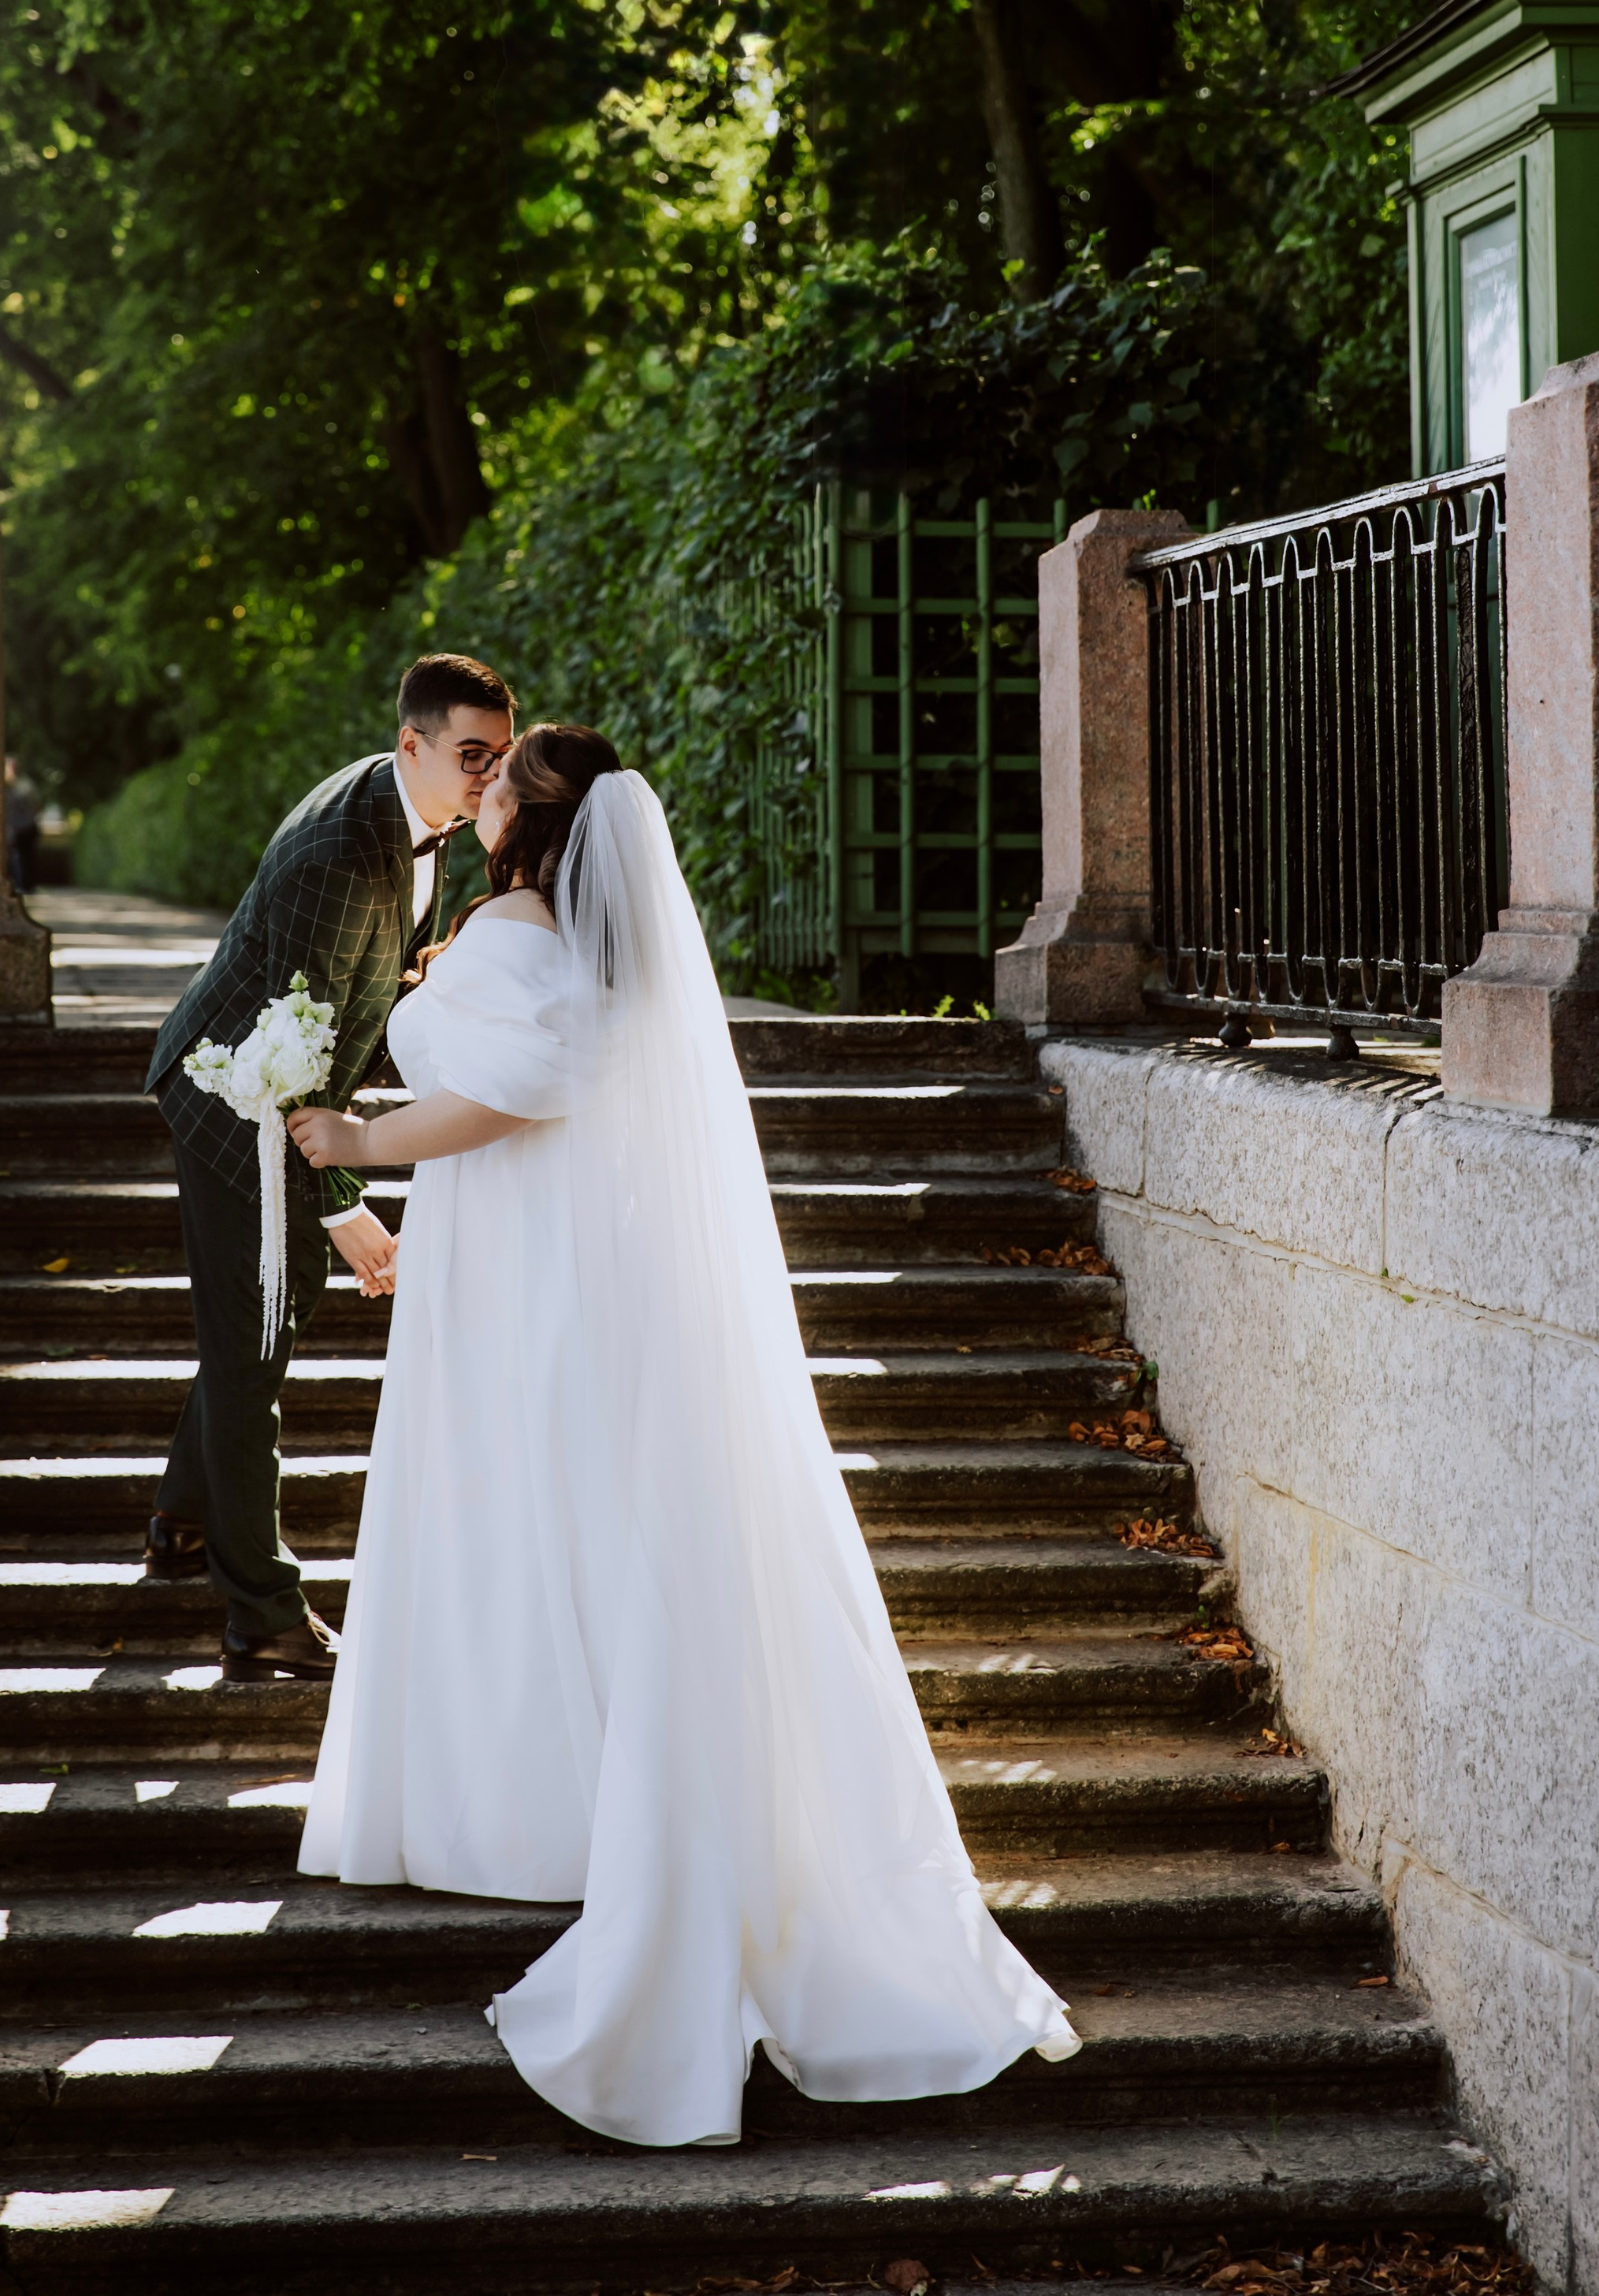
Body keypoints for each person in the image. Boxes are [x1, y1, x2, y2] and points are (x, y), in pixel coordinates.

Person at [290, 725, 1080, 2148]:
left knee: (526, 1507)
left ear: (541, 819)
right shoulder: (579, 935)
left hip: (522, 1259)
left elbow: (513, 1096)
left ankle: (541, 1804)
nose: (481, 791)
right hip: (545, 1250)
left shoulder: (519, 922)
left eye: (504, 777)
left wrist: (357, 1146)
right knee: (551, 1509)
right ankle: (557, 1790)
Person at [141, 653, 515, 1683]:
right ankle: (259, 1610)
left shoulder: (422, 821)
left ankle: (180, 1517)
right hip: (233, 1099)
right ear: (414, 746)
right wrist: (346, 1202)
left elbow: (358, 1008)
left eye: (500, 755)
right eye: (469, 755)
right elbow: (295, 1053)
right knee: (258, 1332)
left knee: (264, 1310)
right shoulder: (341, 856)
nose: (489, 776)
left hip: (283, 1093)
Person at [4, 756, 43, 895]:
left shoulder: (24, 785)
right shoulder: (5, 786)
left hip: (26, 827)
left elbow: (36, 804)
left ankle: (27, 886)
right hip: (13, 828)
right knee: (17, 858)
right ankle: (20, 885)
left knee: (26, 857)